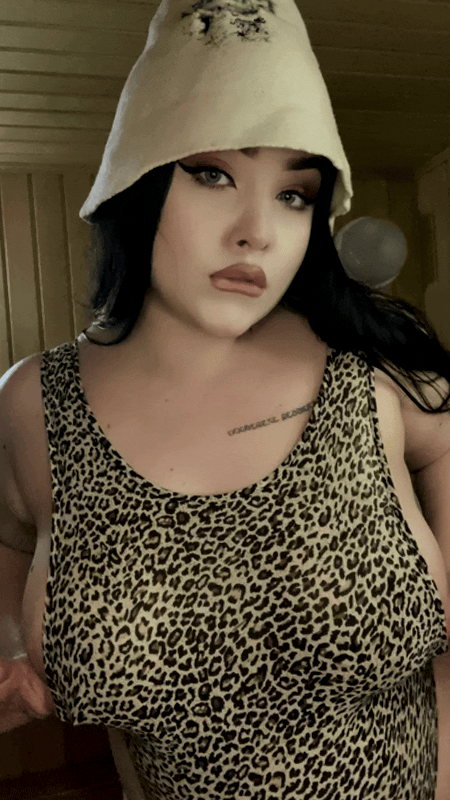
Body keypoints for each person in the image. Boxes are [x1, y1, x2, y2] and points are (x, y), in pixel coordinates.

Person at [1, 1, 450, 799]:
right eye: (213, 174)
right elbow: (11, 533)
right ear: (136, 185)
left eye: (295, 194)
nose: (258, 232)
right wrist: (11, 646)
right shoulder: (35, 402)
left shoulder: (374, 370)